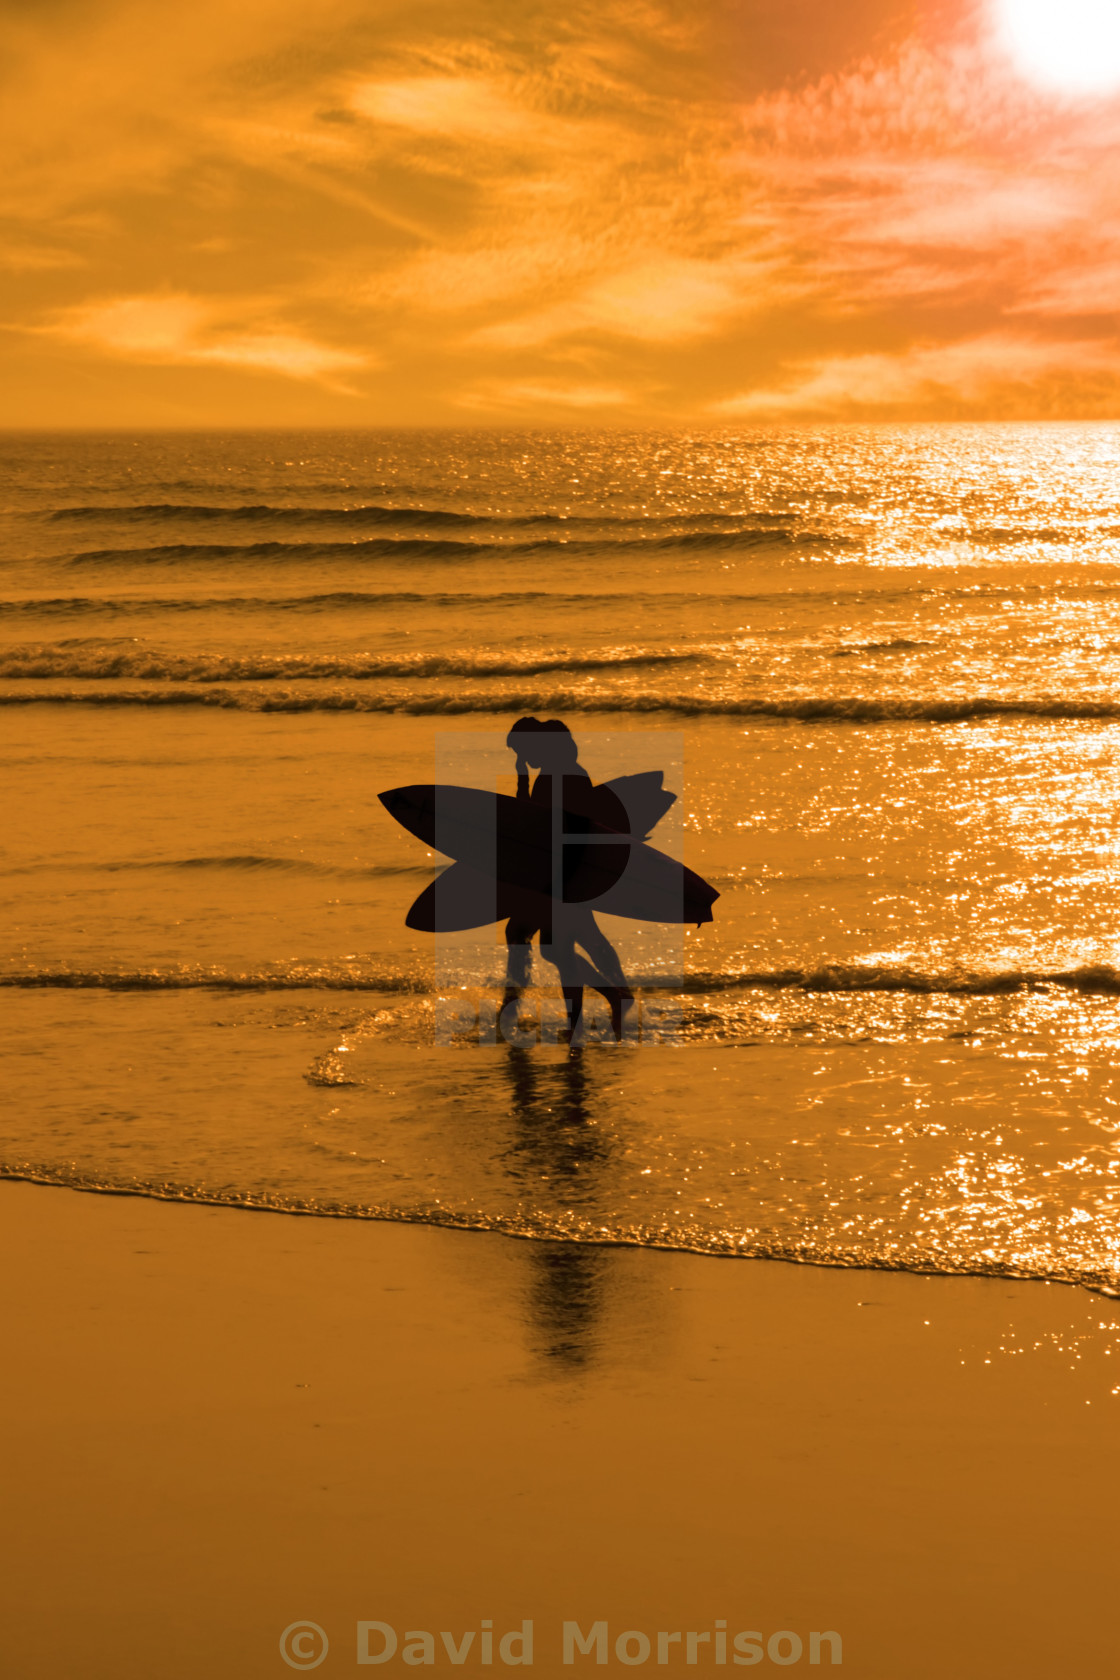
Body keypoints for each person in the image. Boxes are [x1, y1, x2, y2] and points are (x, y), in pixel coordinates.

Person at [500, 717, 634, 1042]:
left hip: (563, 875)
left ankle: (586, 1018)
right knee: (579, 939)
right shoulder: (561, 772)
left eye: (521, 750)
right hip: (568, 872)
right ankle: (620, 996)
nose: (523, 757)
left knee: (553, 946)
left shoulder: (558, 777)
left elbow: (531, 820)